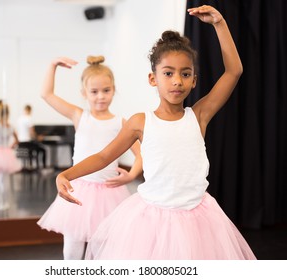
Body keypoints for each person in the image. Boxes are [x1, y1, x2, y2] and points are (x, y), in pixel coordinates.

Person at [54, 5, 256, 259]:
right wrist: (67, 174)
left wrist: (220, 24)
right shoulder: (141, 122)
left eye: (185, 74)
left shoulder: (199, 115)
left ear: (194, 80)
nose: (177, 81)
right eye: (168, 73)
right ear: (153, 78)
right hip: (152, 220)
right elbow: (105, 156)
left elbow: (234, 71)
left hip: (198, 218)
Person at [37, 55, 142, 259]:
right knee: (72, 250)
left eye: (106, 90)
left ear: (114, 89)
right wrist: (52, 65)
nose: (101, 96)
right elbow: (46, 94)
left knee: (102, 247)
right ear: (84, 93)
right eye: (94, 92)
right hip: (80, 189)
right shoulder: (79, 116)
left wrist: (131, 175)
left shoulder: (121, 123)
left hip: (109, 192)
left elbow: (141, 154)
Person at [17, 104, 47, 170]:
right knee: (43, 150)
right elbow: (32, 133)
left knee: (35, 148)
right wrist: (38, 138)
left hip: (20, 143)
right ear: (30, 110)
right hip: (27, 142)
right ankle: (41, 167)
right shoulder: (29, 118)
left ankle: (30, 165)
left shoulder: (19, 119)